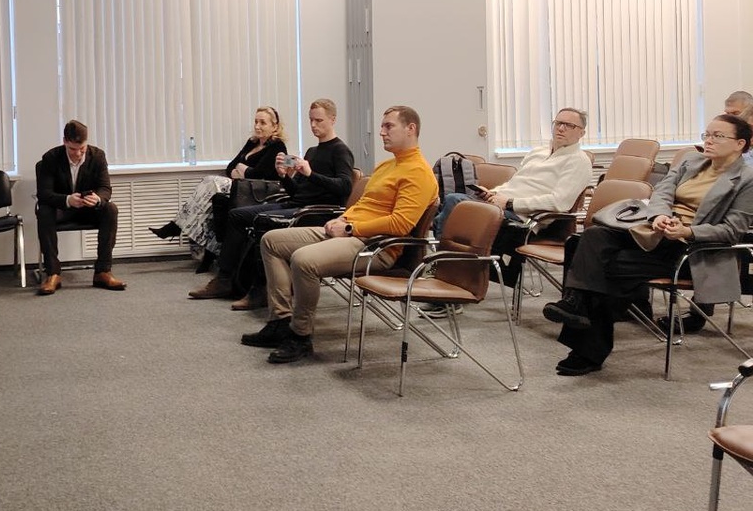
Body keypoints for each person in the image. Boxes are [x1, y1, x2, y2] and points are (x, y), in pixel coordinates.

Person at [543, 114, 753, 376]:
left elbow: (732, 230)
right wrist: (659, 216)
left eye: (718, 136)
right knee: (592, 237)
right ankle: (578, 309)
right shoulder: (691, 161)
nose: (709, 140)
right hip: (654, 232)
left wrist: (687, 231)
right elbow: (662, 192)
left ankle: (585, 341)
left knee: (600, 269)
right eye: (707, 134)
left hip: (690, 250)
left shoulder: (747, 179)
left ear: (740, 144)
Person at [241, 106, 438, 363]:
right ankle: (280, 321)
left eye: (388, 126)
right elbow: (364, 204)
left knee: (303, 260)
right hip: (350, 232)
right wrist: (343, 218)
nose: (381, 132)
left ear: (411, 129)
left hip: (375, 246)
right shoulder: (386, 166)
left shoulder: (419, 172)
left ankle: (300, 335)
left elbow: (399, 224)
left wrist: (350, 228)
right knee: (271, 241)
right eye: (382, 126)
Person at [189, 99, 354, 302]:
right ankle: (226, 279)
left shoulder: (340, 150)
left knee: (262, 221)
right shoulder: (312, 152)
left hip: (314, 212)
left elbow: (345, 186)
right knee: (237, 215)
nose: (313, 125)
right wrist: (283, 175)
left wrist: (310, 174)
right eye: (310, 120)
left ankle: (259, 289)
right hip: (296, 205)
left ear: (332, 119)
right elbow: (296, 192)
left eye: (318, 120)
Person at [431, 108, 593, 286]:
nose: (561, 128)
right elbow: (514, 184)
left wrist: (510, 203)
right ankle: (451, 267)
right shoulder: (537, 152)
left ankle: (443, 266)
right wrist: (493, 193)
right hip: (502, 206)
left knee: (455, 203)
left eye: (569, 125)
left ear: (581, 133)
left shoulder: (579, 161)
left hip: (523, 218)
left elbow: (558, 202)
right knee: (452, 202)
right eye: (558, 123)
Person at [148, 106, 288, 259]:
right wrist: (240, 170)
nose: (257, 126)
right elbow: (230, 167)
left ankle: (176, 226)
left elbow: (258, 174)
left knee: (211, 181)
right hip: (240, 186)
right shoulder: (252, 142)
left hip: (257, 192)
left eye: (262, 123)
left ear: (274, 126)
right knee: (207, 201)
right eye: (256, 122)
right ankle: (205, 246)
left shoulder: (277, 146)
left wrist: (241, 168)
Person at [35, 120, 126, 295]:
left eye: (82, 149)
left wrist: (98, 199)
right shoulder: (51, 158)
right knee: (44, 211)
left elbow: (105, 188)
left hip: (87, 209)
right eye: (72, 149)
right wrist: (67, 200)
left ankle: (103, 271)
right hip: (62, 209)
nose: (77, 154)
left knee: (110, 209)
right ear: (64, 142)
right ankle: (53, 273)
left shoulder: (98, 156)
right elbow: (44, 194)